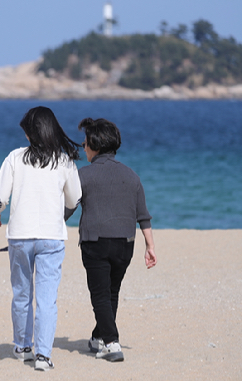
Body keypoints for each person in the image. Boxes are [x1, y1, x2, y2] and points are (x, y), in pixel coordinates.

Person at [0, 106, 82, 371]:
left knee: (21, 294)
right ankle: (43, 356)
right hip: (52, 238)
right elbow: (75, 199)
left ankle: (22, 346)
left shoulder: (15, 158)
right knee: (47, 298)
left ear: (31, 133)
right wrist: (59, 217)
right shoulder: (64, 161)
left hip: (19, 236)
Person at [73, 117, 157, 362]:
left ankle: (111, 343)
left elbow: (66, 209)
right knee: (111, 291)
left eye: (85, 141)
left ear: (95, 145)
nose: (83, 145)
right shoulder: (131, 176)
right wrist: (150, 246)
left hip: (95, 242)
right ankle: (99, 337)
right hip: (125, 244)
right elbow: (143, 215)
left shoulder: (84, 175)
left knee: (100, 294)